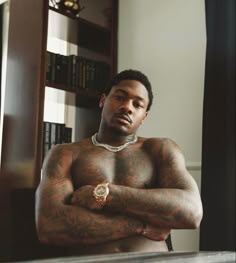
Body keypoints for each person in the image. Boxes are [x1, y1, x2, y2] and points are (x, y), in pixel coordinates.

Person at [35, 69, 203, 255]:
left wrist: (106, 194)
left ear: (144, 117)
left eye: (137, 104)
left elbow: (191, 212)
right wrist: (142, 225)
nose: (127, 107)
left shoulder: (160, 149)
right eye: (120, 97)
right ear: (103, 100)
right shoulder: (65, 154)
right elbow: (50, 225)